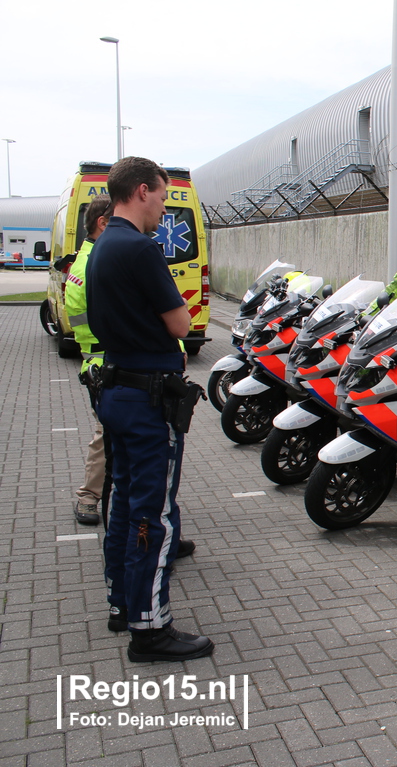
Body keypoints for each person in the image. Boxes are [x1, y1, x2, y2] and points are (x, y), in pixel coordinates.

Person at [88, 156, 213, 662]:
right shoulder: (140, 249)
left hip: (117, 388)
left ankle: (123, 604)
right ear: (142, 191)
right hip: (144, 399)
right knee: (152, 514)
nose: (164, 207)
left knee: (122, 505)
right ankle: (150, 627)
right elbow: (182, 324)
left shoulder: (101, 246)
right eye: (162, 196)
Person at [64, 195, 112, 525]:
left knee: (110, 431)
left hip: (96, 357)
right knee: (107, 432)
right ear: (103, 224)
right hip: (104, 361)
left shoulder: (86, 260)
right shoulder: (95, 264)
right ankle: (89, 496)